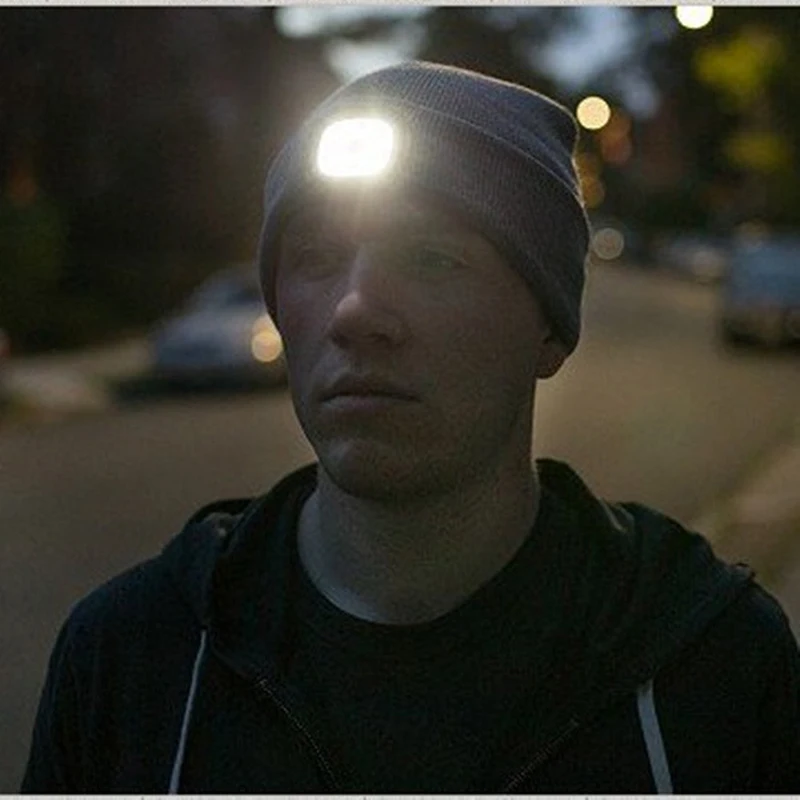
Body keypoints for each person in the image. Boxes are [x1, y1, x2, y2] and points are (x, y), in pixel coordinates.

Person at [22, 61, 799, 794]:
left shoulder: (712, 667)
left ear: (549, 328)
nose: (355, 310)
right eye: (316, 257)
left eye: (432, 259)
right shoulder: (133, 661)